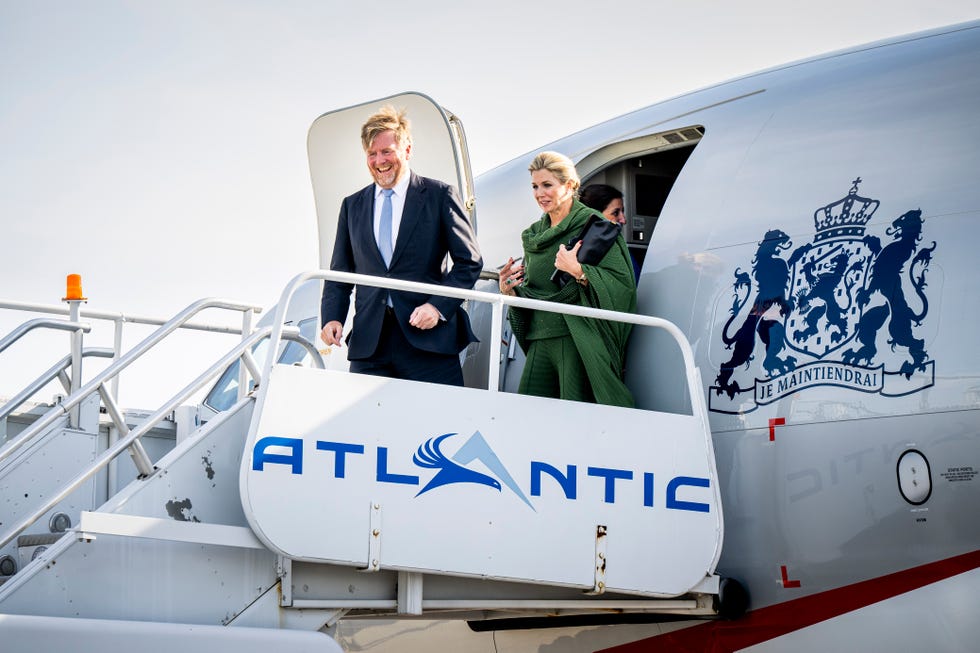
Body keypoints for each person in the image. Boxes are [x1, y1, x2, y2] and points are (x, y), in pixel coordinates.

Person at [320, 105, 483, 386]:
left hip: (428, 340)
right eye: (371, 154)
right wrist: (332, 318)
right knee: (365, 429)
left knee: (439, 424)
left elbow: (469, 261)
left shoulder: (439, 195)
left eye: (386, 152)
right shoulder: (352, 206)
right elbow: (340, 273)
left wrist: (437, 307)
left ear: (407, 150)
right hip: (370, 343)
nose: (379, 160)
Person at [498, 152, 636, 407]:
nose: (540, 193)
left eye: (547, 185)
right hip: (539, 340)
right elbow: (535, 290)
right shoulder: (533, 235)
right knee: (529, 417)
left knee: (575, 422)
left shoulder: (595, 226)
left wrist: (580, 272)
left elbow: (623, 287)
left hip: (576, 339)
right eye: (535, 186)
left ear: (570, 185)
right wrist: (510, 290)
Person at [580, 183, 641, 281]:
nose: (623, 220)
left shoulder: (622, 250)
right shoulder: (575, 252)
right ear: (595, 216)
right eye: (615, 213)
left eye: (622, 211)